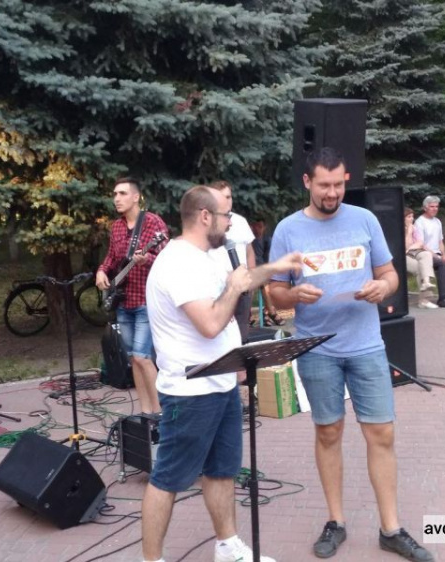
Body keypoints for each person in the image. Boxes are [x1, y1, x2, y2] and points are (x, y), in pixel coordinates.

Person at [268, 148, 434, 562]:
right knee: (328, 433)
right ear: (307, 183)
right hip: (316, 348)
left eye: (340, 183)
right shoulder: (288, 230)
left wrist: (385, 287)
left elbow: (390, 274)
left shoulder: (365, 219)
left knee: (382, 433)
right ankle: (336, 521)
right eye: (325, 185)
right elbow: (273, 292)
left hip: (366, 346)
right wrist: (292, 293)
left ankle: (391, 529)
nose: (333, 192)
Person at [142, 185, 302, 562]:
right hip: (190, 391)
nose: (231, 224)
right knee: (168, 478)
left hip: (221, 381)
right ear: (204, 217)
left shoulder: (206, 255)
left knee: (221, 469)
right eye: (226, 216)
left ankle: (227, 546)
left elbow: (241, 281)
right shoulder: (178, 262)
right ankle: (150, 559)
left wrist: (274, 268)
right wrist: (233, 286)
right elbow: (211, 323)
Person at [96, 178, 168, 415]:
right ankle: (145, 409)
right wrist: (101, 271)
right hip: (123, 300)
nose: (117, 198)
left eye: (123, 193)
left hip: (146, 300)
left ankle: (159, 411)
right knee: (133, 358)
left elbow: (168, 260)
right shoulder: (116, 227)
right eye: (115, 193)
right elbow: (112, 258)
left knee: (143, 356)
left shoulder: (152, 223)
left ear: (136, 197)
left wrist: (147, 259)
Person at [207, 180, 256, 343]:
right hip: (218, 288)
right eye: (222, 197)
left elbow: (249, 252)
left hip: (242, 286)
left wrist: (252, 280)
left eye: (229, 197)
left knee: (241, 335)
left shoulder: (240, 221)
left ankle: (240, 367)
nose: (227, 201)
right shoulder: (208, 224)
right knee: (221, 335)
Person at [249, 217, 285, 325]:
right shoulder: (248, 240)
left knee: (268, 285)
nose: (257, 230)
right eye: (255, 226)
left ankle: (266, 313)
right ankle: (270, 312)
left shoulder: (266, 240)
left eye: (260, 227)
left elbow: (268, 259)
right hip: (250, 271)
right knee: (255, 285)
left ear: (264, 228)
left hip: (262, 271)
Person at [404, 207, 437, 309]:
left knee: (427, 254)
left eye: (412, 216)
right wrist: (409, 233)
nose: (412, 219)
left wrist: (410, 249)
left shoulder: (415, 228)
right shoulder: (399, 229)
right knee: (420, 268)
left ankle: (426, 282)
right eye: (409, 217)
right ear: (403, 218)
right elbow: (405, 245)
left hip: (413, 252)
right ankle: (424, 300)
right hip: (402, 256)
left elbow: (420, 243)